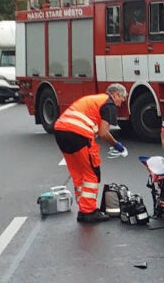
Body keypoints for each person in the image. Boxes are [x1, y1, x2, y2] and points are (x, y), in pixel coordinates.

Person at [53, 84, 129, 223]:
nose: (120, 105)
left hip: (60, 131)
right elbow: (104, 133)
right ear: (116, 94)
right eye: (122, 100)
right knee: (92, 173)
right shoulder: (109, 104)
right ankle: (88, 212)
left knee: (77, 172)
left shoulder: (95, 100)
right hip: (78, 134)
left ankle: (83, 209)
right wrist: (117, 146)